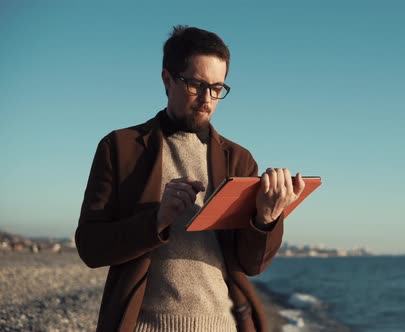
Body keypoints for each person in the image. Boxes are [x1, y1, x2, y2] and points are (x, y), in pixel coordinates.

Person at [75, 25, 305, 332]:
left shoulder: (239, 160)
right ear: (167, 79)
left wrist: (266, 218)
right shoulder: (120, 148)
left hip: (224, 325)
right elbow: (91, 248)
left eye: (217, 88)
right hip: (143, 326)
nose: (207, 99)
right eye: (196, 85)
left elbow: (252, 264)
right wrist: (156, 221)